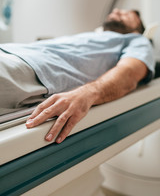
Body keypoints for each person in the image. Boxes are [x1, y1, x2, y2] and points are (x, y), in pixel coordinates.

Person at [0, 8, 154, 143]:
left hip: (28, 68)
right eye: (115, 11)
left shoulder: (137, 40)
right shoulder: (88, 35)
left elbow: (129, 73)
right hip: (9, 50)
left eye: (125, 14)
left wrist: (87, 93)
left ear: (137, 26)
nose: (116, 11)